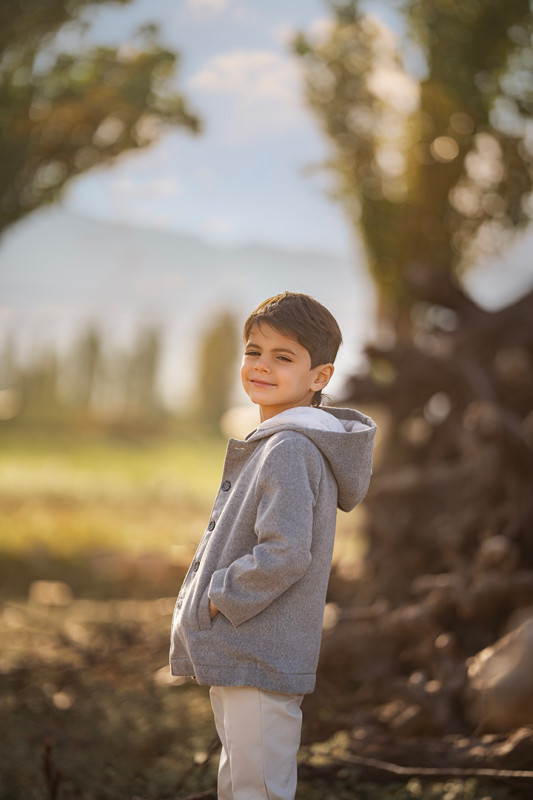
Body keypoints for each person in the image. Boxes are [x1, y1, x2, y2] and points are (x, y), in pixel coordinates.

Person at [170, 291, 377, 800]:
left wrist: (218, 596)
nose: (261, 366)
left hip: (258, 651)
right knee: (243, 783)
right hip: (251, 651)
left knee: (257, 790)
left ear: (320, 377)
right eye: (253, 351)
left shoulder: (289, 448)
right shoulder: (279, 441)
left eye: (283, 357)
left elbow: (285, 551)